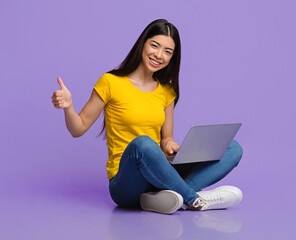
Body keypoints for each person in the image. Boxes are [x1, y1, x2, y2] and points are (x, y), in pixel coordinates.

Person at [51, 19, 243, 214]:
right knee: (142, 144)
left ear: (172, 57)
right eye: (155, 46)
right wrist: (68, 107)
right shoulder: (111, 82)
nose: (159, 55)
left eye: (167, 52)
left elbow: (166, 140)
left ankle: (167, 196)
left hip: (157, 177)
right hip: (125, 184)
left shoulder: (166, 91)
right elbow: (78, 128)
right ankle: (195, 199)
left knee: (233, 148)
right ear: (143, 43)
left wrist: (172, 148)